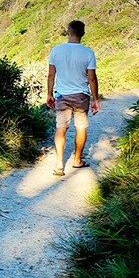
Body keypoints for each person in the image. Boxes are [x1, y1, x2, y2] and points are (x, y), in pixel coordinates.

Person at [45, 20, 100, 176]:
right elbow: (92, 78)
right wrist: (95, 99)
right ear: (82, 33)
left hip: (62, 96)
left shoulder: (56, 51)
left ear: (68, 32)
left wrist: (49, 94)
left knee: (61, 128)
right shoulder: (88, 53)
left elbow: (51, 74)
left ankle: (59, 164)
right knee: (81, 127)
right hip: (81, 96)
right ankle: (77, 160)